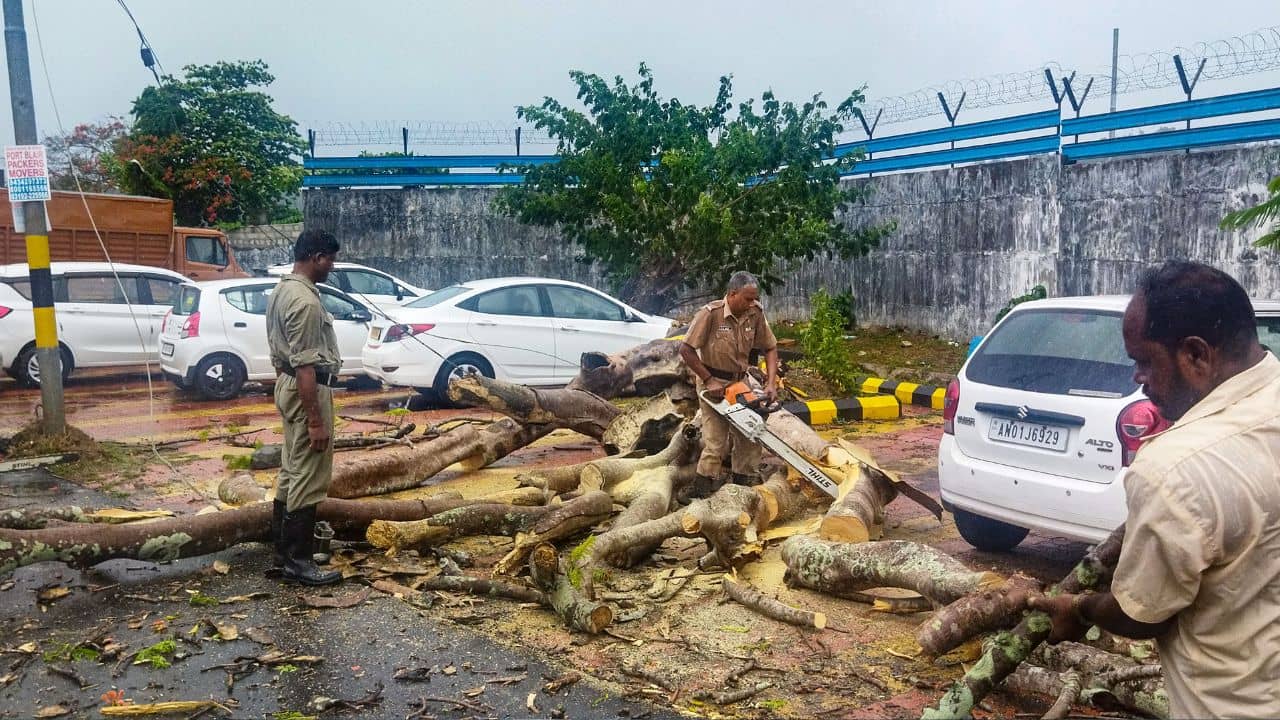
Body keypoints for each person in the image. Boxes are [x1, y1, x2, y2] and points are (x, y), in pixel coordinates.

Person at [1027, 261, 1280, 718]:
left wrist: (1080, 607)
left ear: (1196, 355)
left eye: (1144, 361)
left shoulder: (1174, 467)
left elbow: (1143, 614)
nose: (1137, 378)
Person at [265, 229, 343, 586]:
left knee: (290, 470)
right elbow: (306, 366)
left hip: (287, 385)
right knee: (308, 476)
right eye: (330, 259)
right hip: (306, 390)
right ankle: (299, 562)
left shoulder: (283, 289)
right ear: (317, 258)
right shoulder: (306, 302)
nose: (332, 266)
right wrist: (316, 421)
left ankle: (283, 556)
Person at [679, 271, 780, 498]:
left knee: (749, 435)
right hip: (712, 383)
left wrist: (771, 382)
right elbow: (685, 350)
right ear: (732, 294)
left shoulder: (755, 313)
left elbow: (770, 347)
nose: (752, 302)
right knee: (716, 441)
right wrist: (708, 379)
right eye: (747, 298)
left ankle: (742, 485)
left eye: (754, 298)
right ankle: (700, 488)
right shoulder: (710, 314)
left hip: (740, 382)